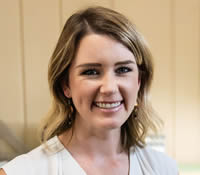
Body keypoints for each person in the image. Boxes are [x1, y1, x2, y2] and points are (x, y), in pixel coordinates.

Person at [0, 6, 178, 175]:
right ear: (65, 85)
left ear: (139, 80)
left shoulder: (164, 168)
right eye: (91, 72)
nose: (109, 88)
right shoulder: (23, 171)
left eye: (123, 70)